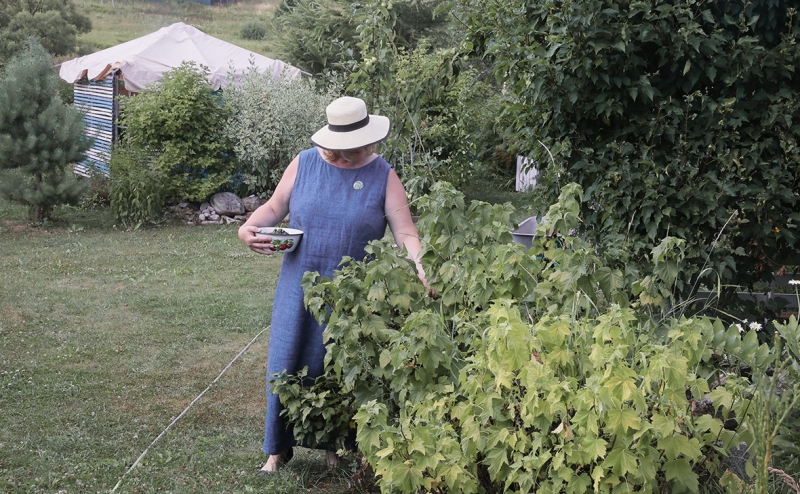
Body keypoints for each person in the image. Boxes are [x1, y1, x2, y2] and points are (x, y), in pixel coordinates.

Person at [238, 96, 426, 474]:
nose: (343, 157)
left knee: (339, 366)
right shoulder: (304, 163)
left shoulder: (383, 174)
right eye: (337, 150)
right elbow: (275, 206)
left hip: (353, 294)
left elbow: (405, 231)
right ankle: (277, 449)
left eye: (351, 151)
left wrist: (421, 268)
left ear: (367, 141)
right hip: (300, 283)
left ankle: (335, 448)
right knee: (287, 360)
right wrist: (248, 228)